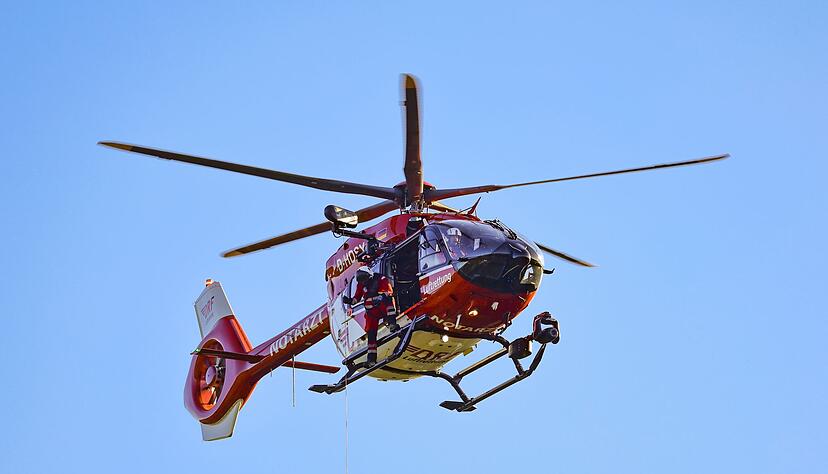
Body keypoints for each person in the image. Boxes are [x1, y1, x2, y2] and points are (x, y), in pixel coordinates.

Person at [342, 266, 400, 366]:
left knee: (389, 301)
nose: (363, 281)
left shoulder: (380, 279)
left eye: (364, 278)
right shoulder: (361, 285)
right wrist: (349, 301)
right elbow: (356, 298)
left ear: (369, 275)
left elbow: (388, 292)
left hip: (382, 306)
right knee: (371, 334)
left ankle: (392, 325)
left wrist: (378, 298)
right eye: (361, 280)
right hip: (372, 312)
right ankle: (371, 359)